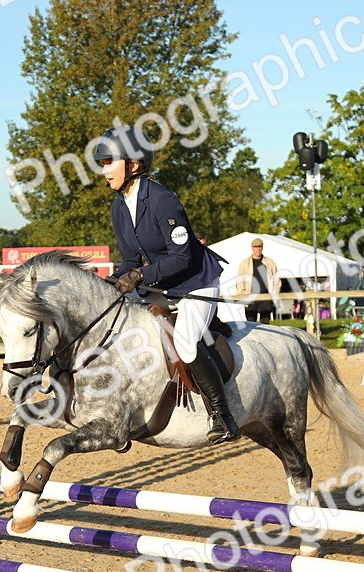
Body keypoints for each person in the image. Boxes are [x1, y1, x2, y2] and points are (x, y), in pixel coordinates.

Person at [95, 126, 238, 444]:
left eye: (109, 161)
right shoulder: (119, 206)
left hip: (196, 281)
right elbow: (131, 259)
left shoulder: (162, 199)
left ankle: (223, 417)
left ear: (134, 164)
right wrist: (117, 280)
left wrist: (140, 276)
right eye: (102, 163)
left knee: (186, 342)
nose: (104, 170)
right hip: (164, 284)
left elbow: (183, 258)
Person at [233, 238, 281, 323]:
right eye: (256, 247)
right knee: (250, 326)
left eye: (260, 247)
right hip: (250, 298)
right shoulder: (245, 263)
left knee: (266, 326)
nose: (258, 249)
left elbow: (276, 280)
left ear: (262, 248)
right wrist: (243, 296)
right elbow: (240, 282)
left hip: (266, 298)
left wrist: (274, 294)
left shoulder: (270, 263)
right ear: (252, 248)